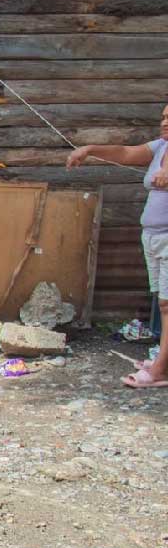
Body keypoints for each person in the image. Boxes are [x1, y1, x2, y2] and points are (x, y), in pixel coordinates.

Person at [68, 103, 168, 388]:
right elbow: (126, 153)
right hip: (155, 237)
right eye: (163, 117)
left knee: (167, 304)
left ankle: (160, 370)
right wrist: (89, 149)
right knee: (163, 302)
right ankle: (163, 360)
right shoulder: (161, 147)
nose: (163, 122)